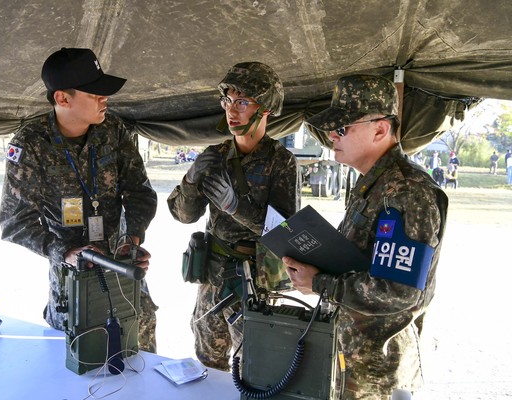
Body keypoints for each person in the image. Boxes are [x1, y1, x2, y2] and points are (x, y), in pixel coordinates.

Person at [284, 74, 448, 399]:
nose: (331, 135)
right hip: (350, 359)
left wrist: (319, 283)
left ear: (380, 129)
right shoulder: (373, 184)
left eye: (343, 128)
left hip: (377, 375)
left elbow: (399, 290)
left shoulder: (407, 191)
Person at [0, 48, 159, 352]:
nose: (105, 99)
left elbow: (139, 192)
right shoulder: (30, 145)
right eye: (95, 94)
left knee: (138, 349)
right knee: (79, 358)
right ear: (63, 98)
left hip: (121, 265)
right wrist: (66, 251)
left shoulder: (113, 130)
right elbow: (14, 222)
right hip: (72, 276)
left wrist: (132, 238)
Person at [167, 61, 301, 371]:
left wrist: (235, 208)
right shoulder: (216, 155)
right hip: (211, 276)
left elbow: (284, 232)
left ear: (265, 108)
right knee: (207, 363)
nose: (232, 110)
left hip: (252, 282)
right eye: (227, 101)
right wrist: (190, 180)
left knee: (255, 365)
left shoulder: (281, 162)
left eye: (242, 102)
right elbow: (184, 216)